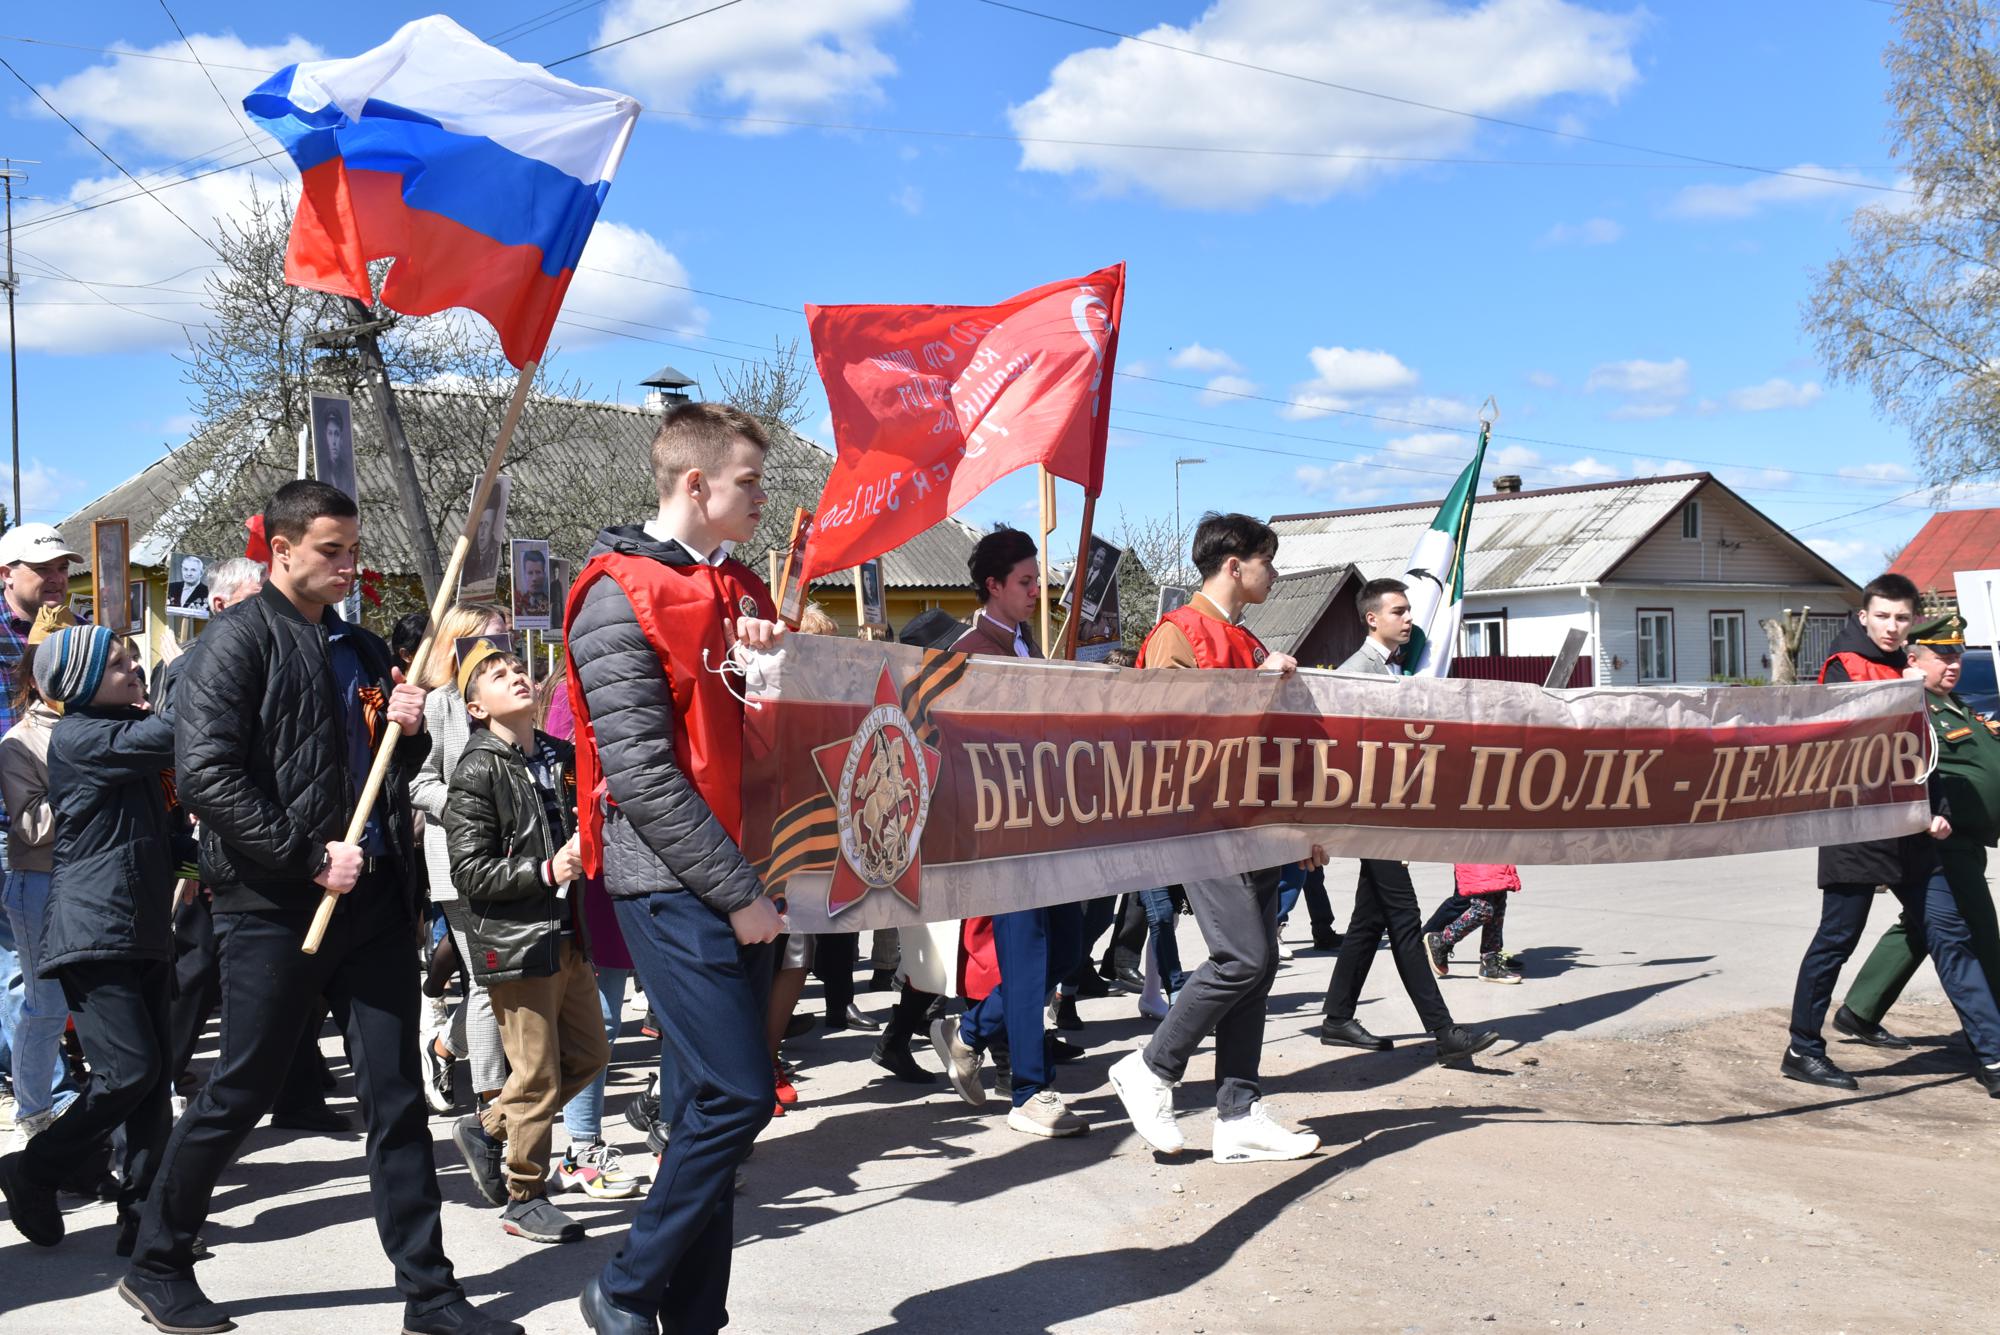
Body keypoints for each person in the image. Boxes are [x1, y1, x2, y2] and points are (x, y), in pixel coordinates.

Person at [122, 480, 518, 1335]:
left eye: (353, 549)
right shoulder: (236, 642)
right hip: (272, 904)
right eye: (331, 550)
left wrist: (406, 733)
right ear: (283, 550)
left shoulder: (369, 650)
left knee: (397, 1094)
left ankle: (431, 1293)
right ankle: (157, 1255)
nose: (348, 564)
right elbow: (207, 779)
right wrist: (306, 855)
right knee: (241, 1087)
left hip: (372, 902)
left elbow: (392, 776)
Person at [566, 401, 785, 1335]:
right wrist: (738, 894)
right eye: (748, 483)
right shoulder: (619, 592)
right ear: (695, 485)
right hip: (675, 881)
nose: (762, 502)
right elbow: (643, 776)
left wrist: (783, 668)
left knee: (705, 1104)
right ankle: (623, 1283)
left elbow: (770, 729)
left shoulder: (738, 588)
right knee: (738, 1096)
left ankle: (696, 1318)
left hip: (743, 875)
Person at [1107, 512, 1319, 1163]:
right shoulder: (1177, 632)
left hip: (1254, 826)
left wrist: (1300, 825)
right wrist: (1256, 687)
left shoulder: (1248, 641)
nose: (1275, 573)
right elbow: (1164, 734)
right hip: (1202, 824)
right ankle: (1150, 1068)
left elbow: (1269, 745)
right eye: (1267, 560)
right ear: (1234, 564)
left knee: (1259, 968)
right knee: (1243, 957)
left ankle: (1238, 1112)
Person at [0, 626, 184, 1251]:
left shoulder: (122, 739)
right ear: (78, 684)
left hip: (145, 927)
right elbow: (173, 731)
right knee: (128, 1072)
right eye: (118, 665)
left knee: (153, 1086)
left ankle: (142, 1221)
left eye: (135, 661)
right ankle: (36, 1167)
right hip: (94, 928)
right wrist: (217, 654)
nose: (134, 670)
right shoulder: (83, 737)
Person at [1785, 578, 2000, 1099]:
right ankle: (1803, 1050)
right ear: (1864, 617)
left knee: (1951, 935)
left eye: (1902, 619)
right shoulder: (1845, 667)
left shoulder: (1907, 673)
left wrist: (1937, 811)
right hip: (1856, 828)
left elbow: (1925, 758)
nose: (1892, 627)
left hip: (1913, 832)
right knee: (1836, 940)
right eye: (1883, 617)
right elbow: (1855, 753)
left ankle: (1993, 1055)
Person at [443, 639, 614, 1244]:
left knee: (591, 1054)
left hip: (569, 936)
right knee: (537, 1075)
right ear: (475, 707)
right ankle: (524, 1194)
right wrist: (546, 871)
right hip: (517, 944)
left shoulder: (561, 756)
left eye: (517, 667)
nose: (515, 675)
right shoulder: (476, 769)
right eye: (495, 674)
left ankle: (489, 1127)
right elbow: (470, 873)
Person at [929, 526, 1090, 1139]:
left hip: (1044, 824)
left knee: (1070, 947)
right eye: (1024, 581)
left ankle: (968, 1032)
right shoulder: (970, 650)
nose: (1035, 590)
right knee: (1027, 957)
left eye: (1036, 580)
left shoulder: (1027, 646)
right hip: (999, 832)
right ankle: (1029, 1091)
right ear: (993, 586)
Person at [1315, 578, 1500, 1066]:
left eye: (1409, 611)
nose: (1409, 619)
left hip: (1386, 815)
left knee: (1368, 920)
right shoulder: (1359, 673)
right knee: (1404, 920)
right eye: (1399, 611)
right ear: (1372, 618)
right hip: (1368, 818)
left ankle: (1336, 1018)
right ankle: (1444, 1032)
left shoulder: (1393, 669)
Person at [1838, 613, 2000, 1041]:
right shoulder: (1911, 707)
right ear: (1913, 659)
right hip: (1941, 839)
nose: (1953, 665)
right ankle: (1994, 1032)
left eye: (1958, 657)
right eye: (1942, 656)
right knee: (1980, 931)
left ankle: (1860, 1009)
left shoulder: (1955, 704)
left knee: (1924, 925)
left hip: (1968, 837)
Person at [409, 602, 514, 1117]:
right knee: (488, 980)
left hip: (515, 863)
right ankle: (491, 1106)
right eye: (493, 638)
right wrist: (467, 807)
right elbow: (417, 779)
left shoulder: (514, 700)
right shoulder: (438, 706)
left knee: (508, 978)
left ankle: (445, 1047)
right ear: (459, 642)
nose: (504, 648)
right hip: (459, 864)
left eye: (507, 637)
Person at [0, 612, 75, 1145]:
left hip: (98, 883)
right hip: (41, 882)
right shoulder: (19, 742)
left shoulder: (113, 726)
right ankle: (35, 1108)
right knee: (43, 1002)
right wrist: (93, 780)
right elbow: (31, 825)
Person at [1423, 865, 1524, 984]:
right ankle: (1441, 941)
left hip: (1496, 857)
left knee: (1498, 904)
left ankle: (1490, 961)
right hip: (1479, 856)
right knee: (1483, 908)